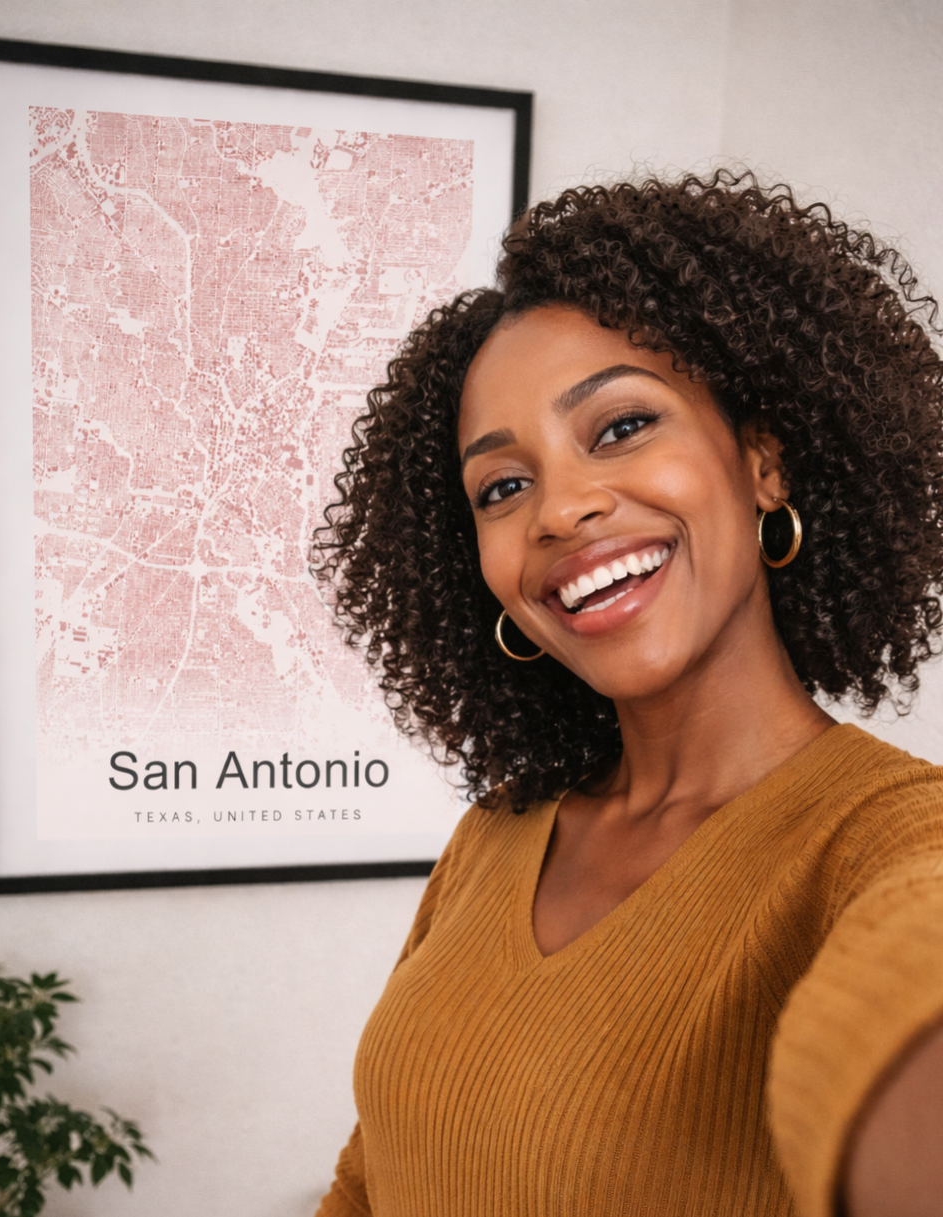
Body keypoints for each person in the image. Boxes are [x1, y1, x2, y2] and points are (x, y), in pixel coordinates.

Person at [311, 170, 943, 1217]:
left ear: (761, 462)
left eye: (617, 427)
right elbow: (372, 1173)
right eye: (502, 487)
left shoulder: (885, 840)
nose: (561, 508)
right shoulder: (497, 836)